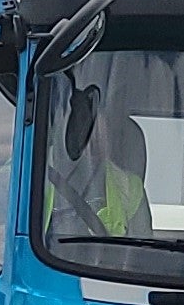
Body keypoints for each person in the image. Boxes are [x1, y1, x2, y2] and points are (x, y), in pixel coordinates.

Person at [48, 95, 152, 240]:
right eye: (87, 130)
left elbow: (141, 253)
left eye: (102, 130)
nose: (94, 138)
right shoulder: (20, 175)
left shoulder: (129, 187)